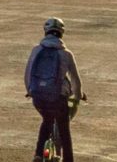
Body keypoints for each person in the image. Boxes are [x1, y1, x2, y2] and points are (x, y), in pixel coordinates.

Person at [23, 17, 83, 162]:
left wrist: (30, 90)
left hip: (38, 97)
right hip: (58, 98)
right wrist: (78, 95)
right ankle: (68, 159)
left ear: (46, 31)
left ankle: (38, 155)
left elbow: (27, 74)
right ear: (62, 33)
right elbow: (75, 79)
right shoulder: (66, 54)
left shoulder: (36, 50)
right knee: (64, 130)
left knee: (47, 121)